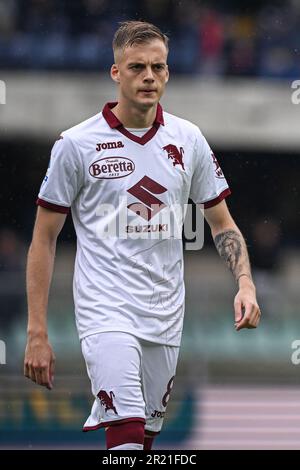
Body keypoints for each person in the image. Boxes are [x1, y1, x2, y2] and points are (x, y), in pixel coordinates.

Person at [24, 20, 261, 451]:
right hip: (106, 311)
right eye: (137, 67)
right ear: (116, 73)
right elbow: (44, 238)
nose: (149, 77)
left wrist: (245, 283)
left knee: (146, 442)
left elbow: (221, 223)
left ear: (168, 72)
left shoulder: (188, 140)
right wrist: (37, 331)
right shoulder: (76, 145)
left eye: (158, 67)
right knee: (128, 436)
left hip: (166, 314)